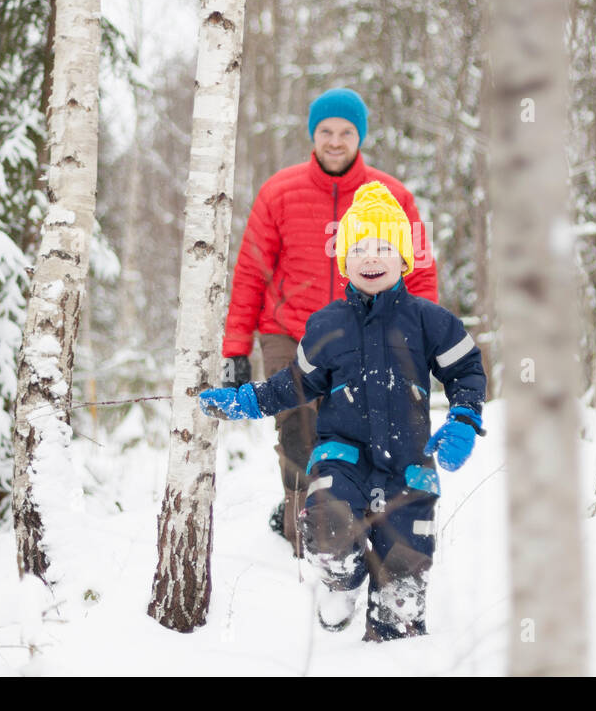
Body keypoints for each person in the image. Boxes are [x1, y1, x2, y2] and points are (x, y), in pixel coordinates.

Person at [200, 182, 485, 640]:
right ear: (344, 261)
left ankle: (393, 649)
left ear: (405, 258)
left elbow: (467, 371)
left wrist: (465, 418)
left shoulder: (431, 321)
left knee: (403, 590)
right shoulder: (327, 325)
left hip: (409, 465)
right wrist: (247, 400)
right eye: (359, 249)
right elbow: (296, 384)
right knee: (327, 522)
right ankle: (340, 581)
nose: (371, 258)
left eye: (384, 247)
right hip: (343, 456)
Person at [220, 87, 439, 555]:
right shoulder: (279, 192)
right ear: (312, 134)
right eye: (326, 131)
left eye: (346, 132)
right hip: (288, 330)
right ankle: (305, 538)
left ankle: (355, 525)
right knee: (298, 432)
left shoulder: (392, 196)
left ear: (359, 136)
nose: (335, 141)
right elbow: (251, 272)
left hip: (367, 331)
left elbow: (419, 270)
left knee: (356, 430)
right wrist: (235, 347)